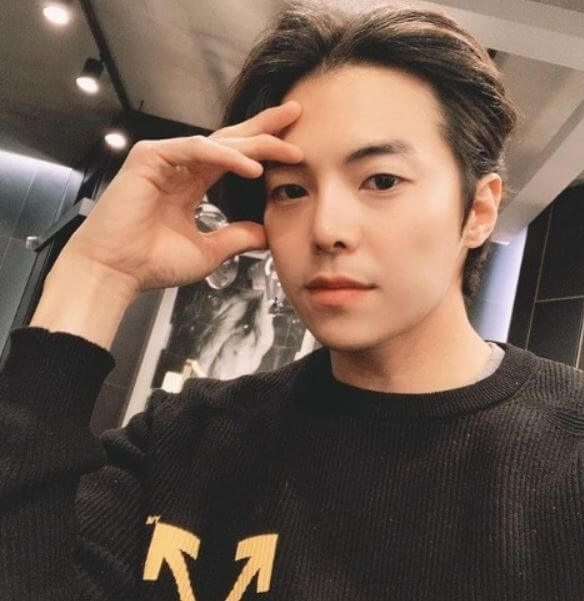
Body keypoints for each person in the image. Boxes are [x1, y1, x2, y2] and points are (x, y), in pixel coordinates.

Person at [1, 2, 583, 600]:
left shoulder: (568, 458)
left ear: (479, 210)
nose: (327, 229)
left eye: (381, 180)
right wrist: (96, 274)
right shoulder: (187, 442)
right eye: (291, 191)